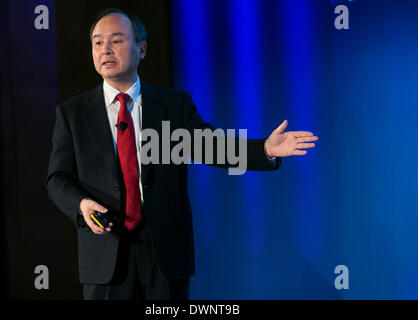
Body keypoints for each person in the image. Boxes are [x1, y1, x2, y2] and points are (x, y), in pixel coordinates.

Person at [46, 8, 318, 300]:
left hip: (165, 253)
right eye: (98, 43)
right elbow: (57, 178)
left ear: (142, 49)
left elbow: (210, 147)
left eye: (117, 41)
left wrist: (263, 148)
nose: (106, 50)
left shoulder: (173, 105)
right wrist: (81, 205)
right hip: (105, 251)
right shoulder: (74, 114)